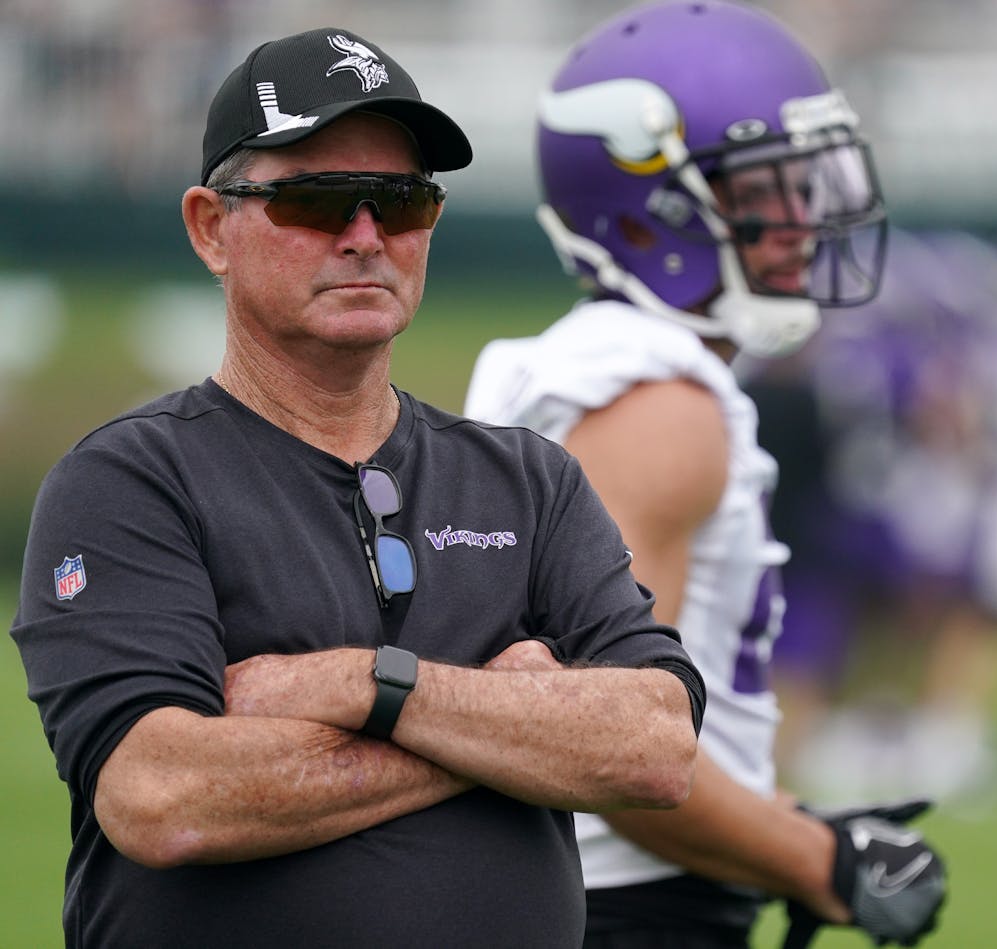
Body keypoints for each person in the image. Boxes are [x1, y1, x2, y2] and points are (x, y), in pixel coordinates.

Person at [9, 27, 707, 948]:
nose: (367, 235)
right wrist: (508, 730)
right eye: (318, 201)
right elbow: (162, 795)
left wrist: (362, 684)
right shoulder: (128, 482)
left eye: (402, 200)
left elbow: (655, 746)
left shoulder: (528, 478)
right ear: (211, 228)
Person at [463, 3, 946, 947]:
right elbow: (615, 749)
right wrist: (820, 863)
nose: (805, 222)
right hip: (620, 905)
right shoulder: (658, 402)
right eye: (768, 190)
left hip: (578, 887)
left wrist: (786, 820)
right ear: (655, 204)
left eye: (808, 184)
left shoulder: (595, 367)